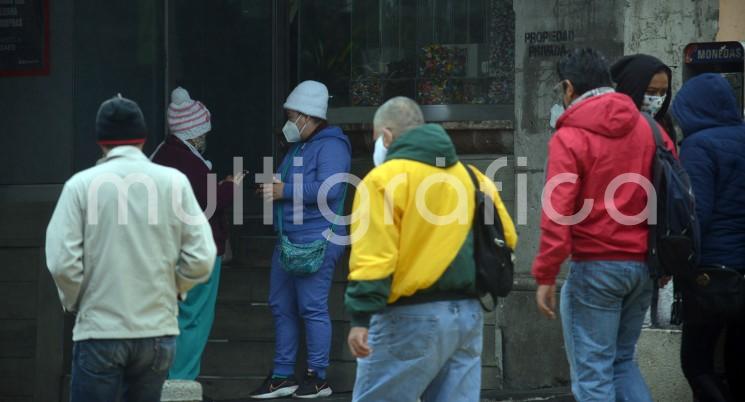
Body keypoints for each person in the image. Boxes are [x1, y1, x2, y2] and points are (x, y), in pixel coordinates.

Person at [345, 96, 517, 402]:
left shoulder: (382, 180)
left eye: (375, 138)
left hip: (407, 318)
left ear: (386, 136)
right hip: (468, 316)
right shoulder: (472, 177)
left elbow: (375, 258)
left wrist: (360, 317)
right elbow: (508, 239)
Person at [45, 95, 216, 402]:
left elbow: (61, 262)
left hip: (100, 329)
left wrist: (77, 300)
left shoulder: (80, 185)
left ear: (100, 140)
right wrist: (175, 289)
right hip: (156, 331)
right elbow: (203, 256)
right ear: (143, 139)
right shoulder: (173, 181)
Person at [531, 48, 675, 402]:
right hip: (642, 266)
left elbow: (558, 210)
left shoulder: (570, 136)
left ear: (568, 88)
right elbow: (673, 190)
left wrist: (546, 274)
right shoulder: (649, 128)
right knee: (622, 362)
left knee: (593, 376)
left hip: (595, 266)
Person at [249, 80, 351, 399]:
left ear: (308, 116)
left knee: (312, 308)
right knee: (281, 305)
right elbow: (287, 181)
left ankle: (317, 377)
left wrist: (284, 190)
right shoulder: (299, 146)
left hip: (318, 239)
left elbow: (331, 188)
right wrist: (272, 185)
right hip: (290, 239)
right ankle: (282, 376)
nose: (289, 124)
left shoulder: (332, 146)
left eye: (292, 117)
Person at [151, 87, 245, 382]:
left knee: (173, 317)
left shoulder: (160, 154)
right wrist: (231, 186)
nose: (205, 138)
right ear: (194, 133)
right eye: (203, 132)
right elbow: (207, 203)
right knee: (194, 319)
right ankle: (181, 383)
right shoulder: (188, 162)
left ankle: (164, 380)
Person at [671, 73, 745, 401]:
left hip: (712, 273)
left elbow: (695, 213)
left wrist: (677, 263)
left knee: (696, 362)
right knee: (736, 362)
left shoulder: (698, 146)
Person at [611, 54, 676, 142]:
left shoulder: (664, 122)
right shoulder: (611, 123)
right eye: (651, 92)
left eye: (663, 92)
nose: (658, 99)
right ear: (631, 89)